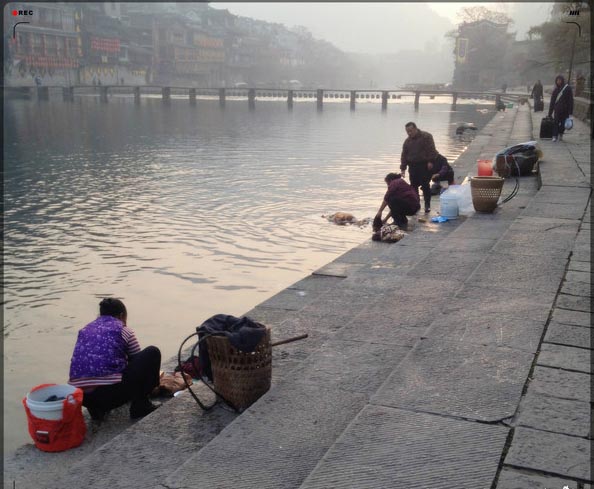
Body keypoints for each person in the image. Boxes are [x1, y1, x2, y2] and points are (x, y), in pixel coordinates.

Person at [69, 298, 161, 420]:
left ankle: (96, 411)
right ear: (122, 315)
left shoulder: (85, 330)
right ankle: (141, 405)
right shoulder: (123, 329)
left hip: (82, 397)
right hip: (109, 397)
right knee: (152, 352)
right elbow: (138, 364)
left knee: (93, 366)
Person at [400, 122, 437, 213]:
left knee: (425, 186)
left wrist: (430, 161)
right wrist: (403, 168)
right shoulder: (407, 142)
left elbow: (431, 149)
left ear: (416, 129)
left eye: (411, 131)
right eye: (407, 131)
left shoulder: (426, 136)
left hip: (424, 165)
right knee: (413, 186)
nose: (409, 133)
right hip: (412, 166)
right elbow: (404, 155)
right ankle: (416, 204)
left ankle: (427, 205)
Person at [548, 75, 574, 142]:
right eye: (557, 80)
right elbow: (552, 102)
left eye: (560, 80)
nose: (558, 81)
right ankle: (554, 136)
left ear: (562, 80)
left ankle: (561, 134)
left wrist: (570, 111)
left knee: (563, 123)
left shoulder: (568, 88)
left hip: (565, 110)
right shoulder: (555, 90)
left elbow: (571, 100)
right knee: (556, 123)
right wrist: (550, 113)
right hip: (557, 110)